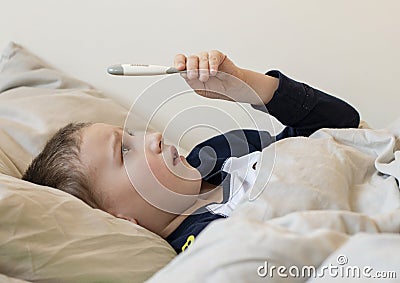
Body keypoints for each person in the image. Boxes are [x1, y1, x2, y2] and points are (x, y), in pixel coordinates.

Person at [22, 50, 360, 254]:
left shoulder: (220, 152)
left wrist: (245, 84)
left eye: (134, 134)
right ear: (120, 219)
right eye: (125, 152)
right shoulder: (198, 249)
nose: (153, 137)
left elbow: (343, 124)